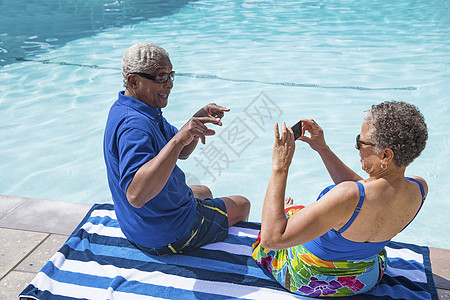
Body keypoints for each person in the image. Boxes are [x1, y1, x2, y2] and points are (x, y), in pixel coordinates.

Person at [252, 101, 428, 297]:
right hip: (364, 279)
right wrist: (323, 148)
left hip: (310, 279)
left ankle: (289, 211)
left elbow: (272, 239)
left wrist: (280, 166)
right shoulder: (419, 188)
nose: (356, 146)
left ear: (386, 154)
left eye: (361, 143)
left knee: (284, 219)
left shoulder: (347, 196)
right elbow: (368, 193)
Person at [103, 42, 250, 256]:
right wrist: (178, 140)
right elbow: (136, 195)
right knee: (242, 204)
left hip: (138, 226)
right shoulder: (135, 127)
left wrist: (194, 122)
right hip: (167, 234)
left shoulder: (134, 108)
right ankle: (223, 254)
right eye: (161, 77)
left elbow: (181, 153)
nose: (169, 84)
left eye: (171, 76)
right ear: (134, 81)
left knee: (204, 191)